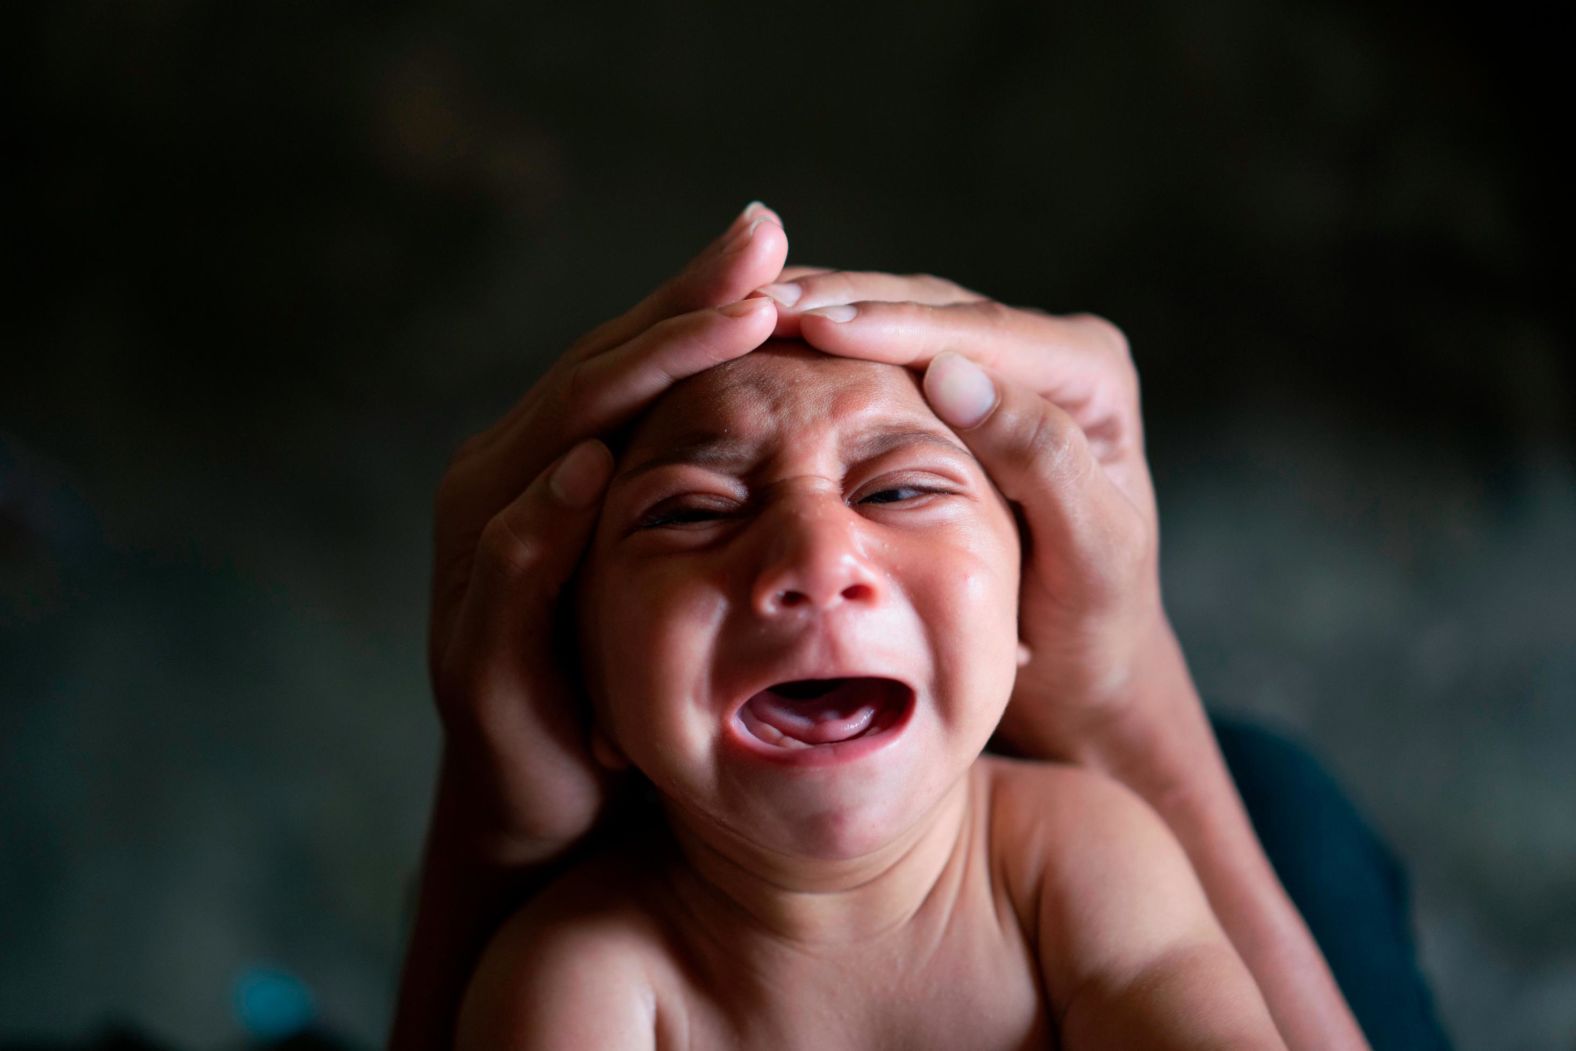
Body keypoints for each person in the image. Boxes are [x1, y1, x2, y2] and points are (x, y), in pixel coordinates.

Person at [391, 203, 1376, 1049]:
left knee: (1272, 781)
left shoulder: (1078, 857)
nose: (815, 562)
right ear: (582, 690)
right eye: (690, 511)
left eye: (902, 489)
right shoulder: (587, 975)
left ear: (1031, 614)